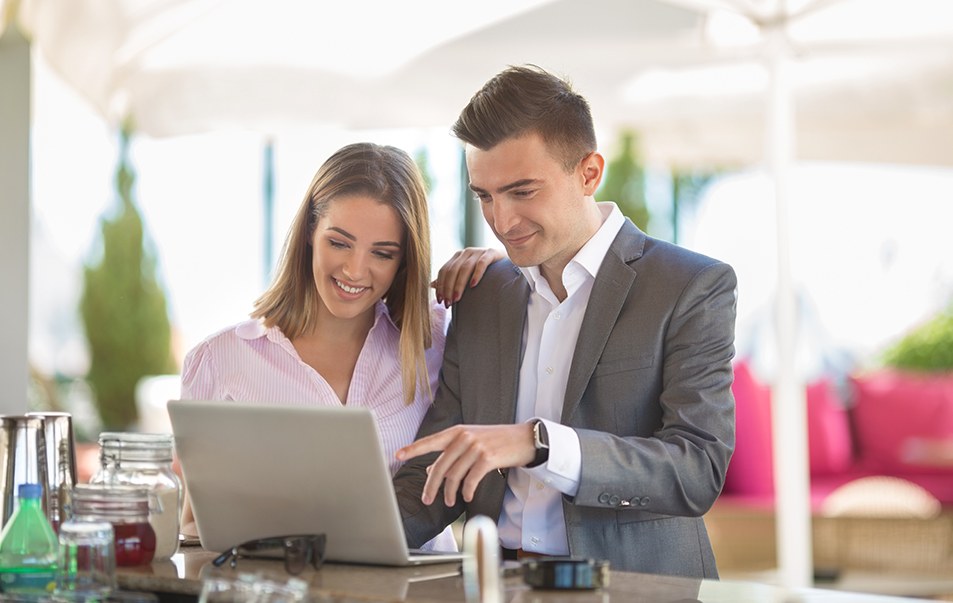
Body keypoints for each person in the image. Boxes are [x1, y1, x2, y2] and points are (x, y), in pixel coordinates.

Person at [393, 65, 738, 577]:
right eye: (484, 196)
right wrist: (333, 537)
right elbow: (436, 473)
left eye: (523, 191)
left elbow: (695, 470)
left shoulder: (690, 286)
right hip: (499, 584)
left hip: (634, 588)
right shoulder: (481, 295)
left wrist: (540, 443)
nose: (502, 221)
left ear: (589, 173)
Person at [179, 142, 502, 551]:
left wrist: (497, 268)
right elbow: (195, 525)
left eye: (382, 253)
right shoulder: (220, 361)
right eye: (339, 242)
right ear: (311, 231)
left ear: (404, 261)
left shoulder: (435, 341)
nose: (354, 270)